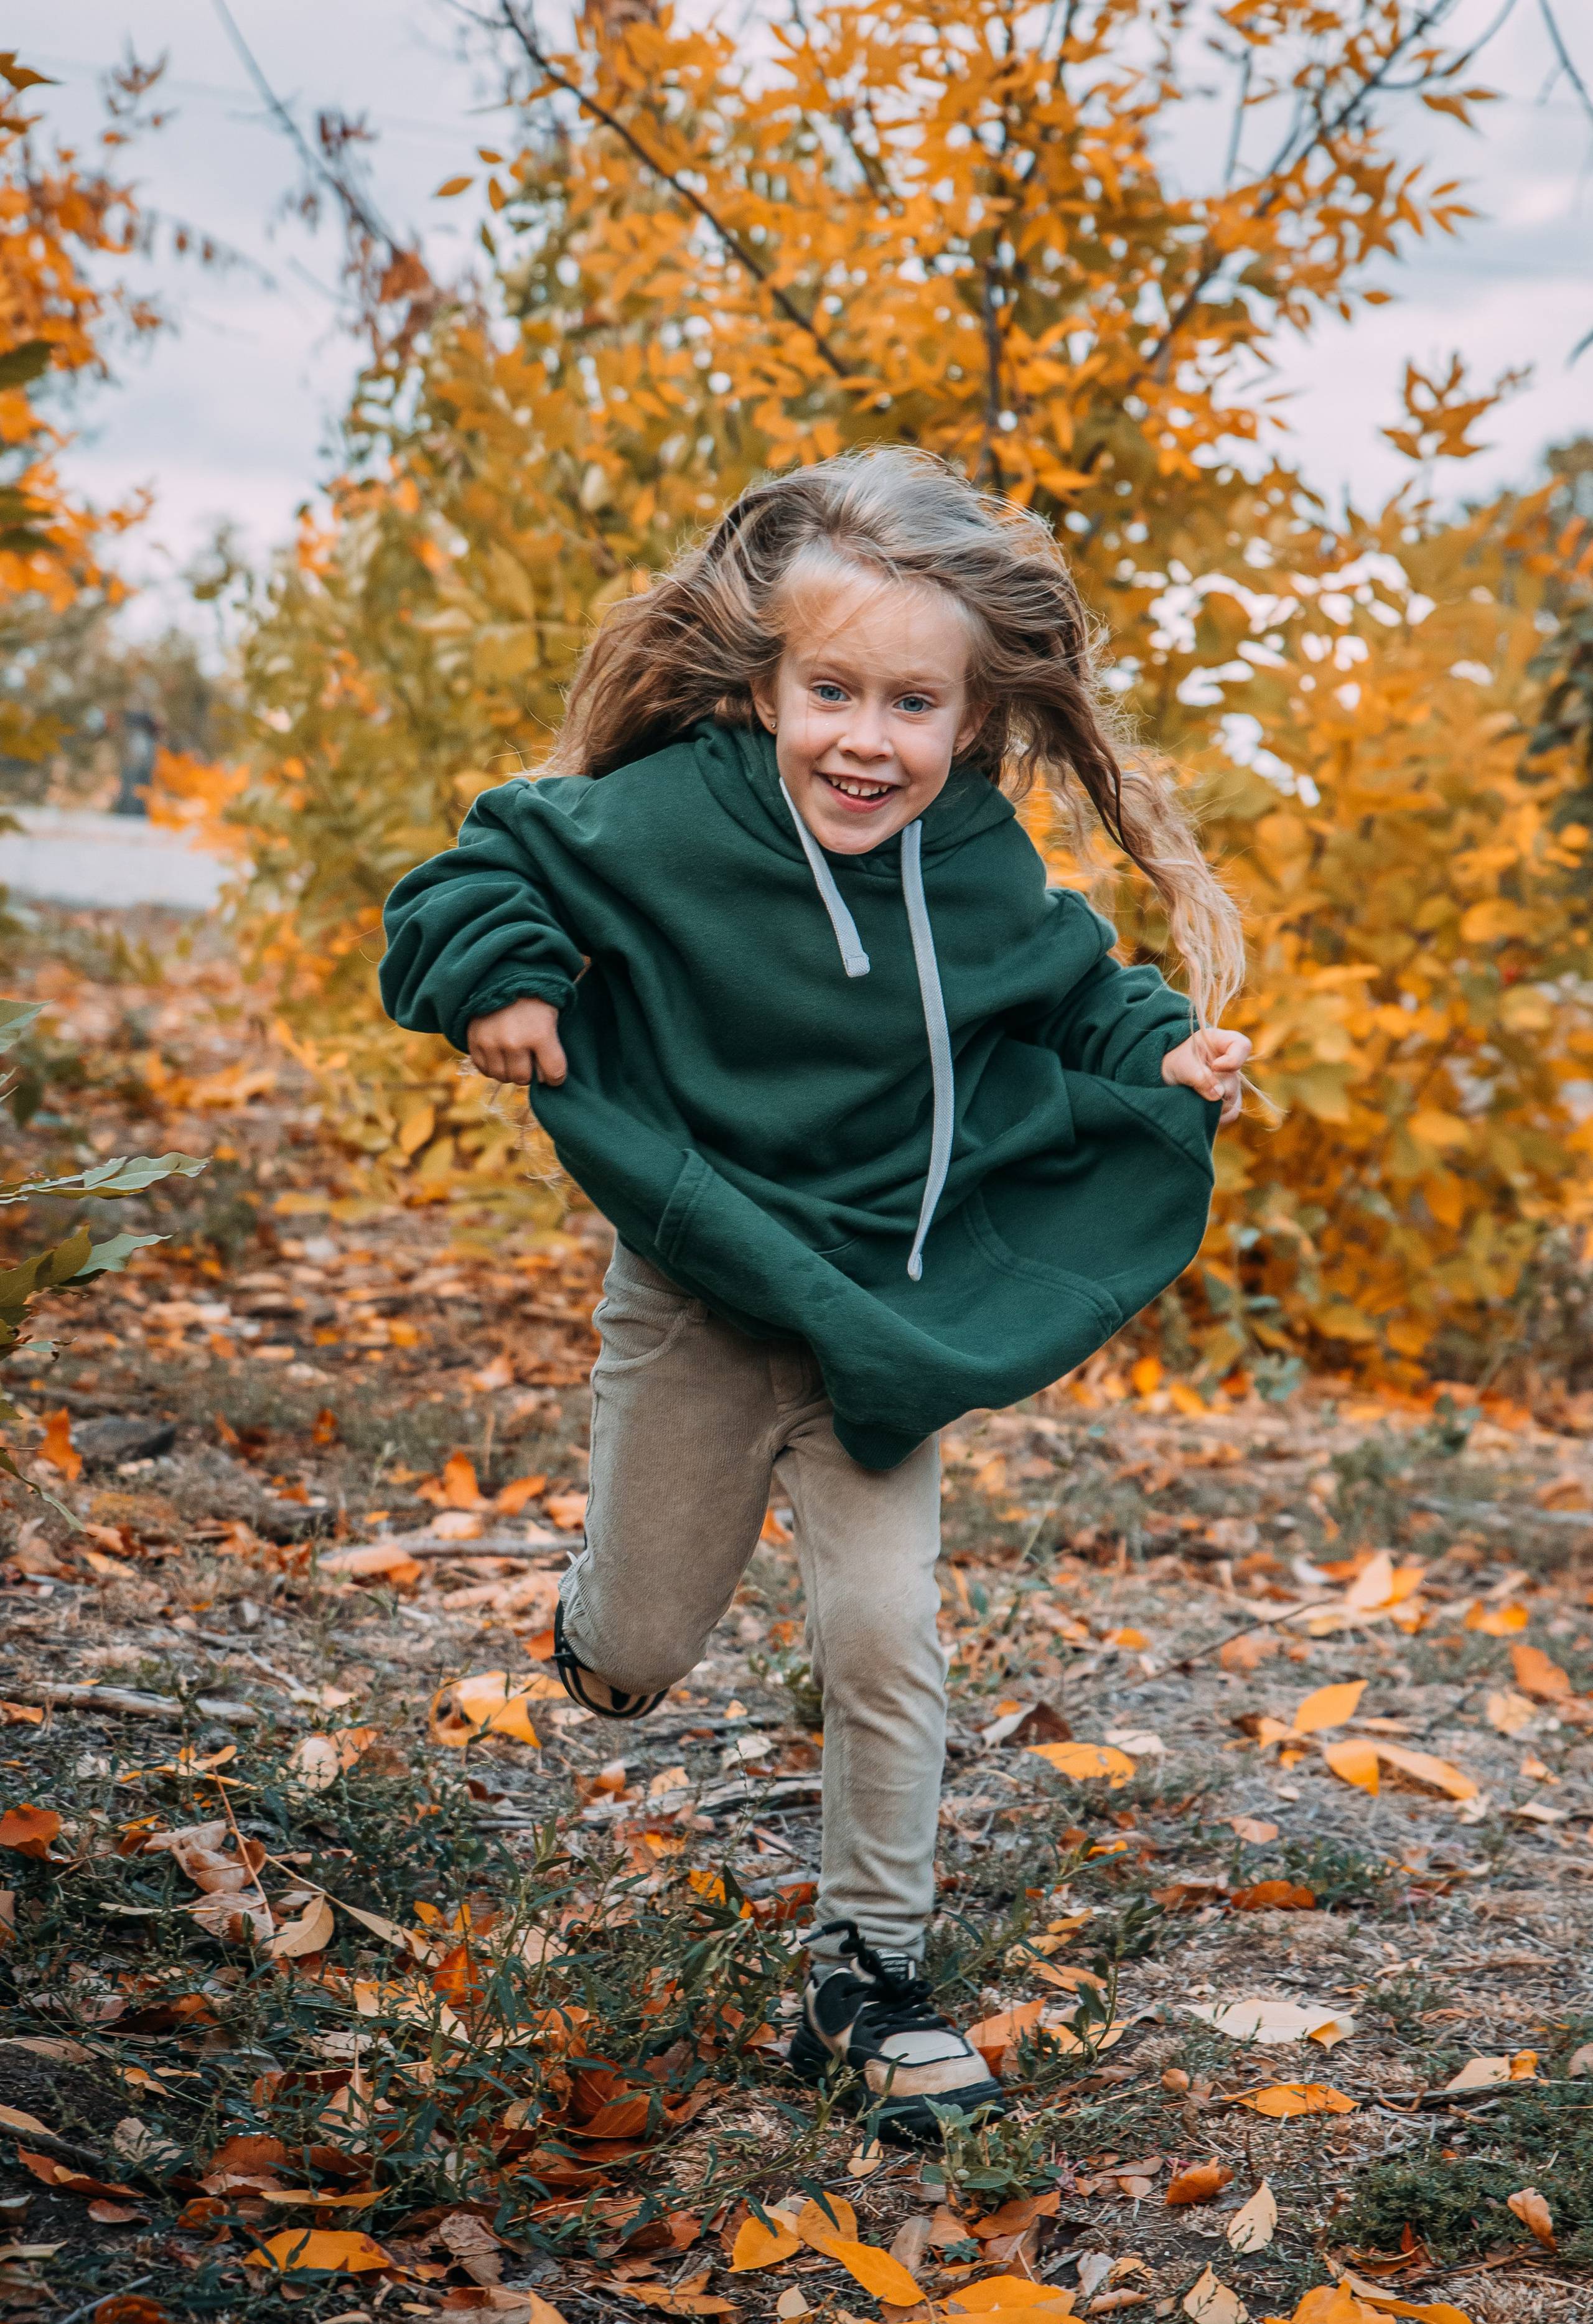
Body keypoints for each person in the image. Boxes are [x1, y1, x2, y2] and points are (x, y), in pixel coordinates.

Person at [380, 447, 1251, 2141]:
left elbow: (1078, 992)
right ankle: (601, 1632)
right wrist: (504, 978)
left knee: (884, 1629)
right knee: (640, 1647)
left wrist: (1164, 1045)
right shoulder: (667, 816)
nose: (868, 736)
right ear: (764, 685)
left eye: (912, 702)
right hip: (701, 1286)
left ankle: (871, 1970)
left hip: (881, 1317)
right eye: (831, 689)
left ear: (971, 717)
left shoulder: (979, 861)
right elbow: (469, 878)